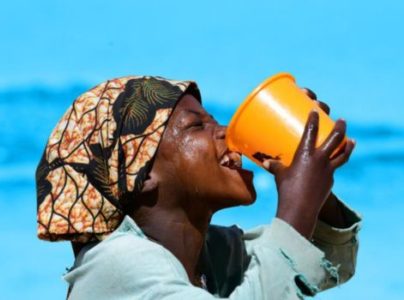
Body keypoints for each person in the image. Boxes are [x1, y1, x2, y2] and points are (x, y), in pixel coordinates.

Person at [36, 76, 361, 299]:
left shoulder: (211, 256)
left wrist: (305, 167)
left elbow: (329, 260)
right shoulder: (117, 263)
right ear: (142, 172)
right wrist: (297, 204)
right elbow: (284, 260)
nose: (225, 132)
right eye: (196, 126)